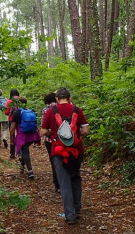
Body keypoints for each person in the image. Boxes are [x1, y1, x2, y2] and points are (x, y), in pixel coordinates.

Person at [40, 87, 90, 225]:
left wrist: (53, 132)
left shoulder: (51, 111)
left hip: (58, 151)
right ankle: (77, 207)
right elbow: (86, 130)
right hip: (76, 150)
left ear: (56, 99)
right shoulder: (77, 110)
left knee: (64, 182)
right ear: (70, 97)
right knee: (75, 177)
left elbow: (43, 131)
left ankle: (70, 215)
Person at [10, 96, 41, 179]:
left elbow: (13, 127)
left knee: (25, 152)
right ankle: (21, 165)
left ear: (17, 104)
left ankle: (30, 171)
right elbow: (36, 125)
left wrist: (11, 138)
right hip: (32, 134)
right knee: (25, 150)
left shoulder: (16, 113)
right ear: (26, 103)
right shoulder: (31, 111)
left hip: (22, 135)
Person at [41, 92, 60, 193]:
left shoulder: (45, 110)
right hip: (62, 139)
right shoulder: (61, 107)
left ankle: (57, 184)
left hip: (49, 140)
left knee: (53, 161)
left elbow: (43, 127)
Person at [4, 88, 20, 159]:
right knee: (20, 135)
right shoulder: (20, 100)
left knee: (12, 136)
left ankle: (12, 153)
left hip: (11, 120)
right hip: (20, 119)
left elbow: (6, 112)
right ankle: (20, 152)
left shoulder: (9, 102)